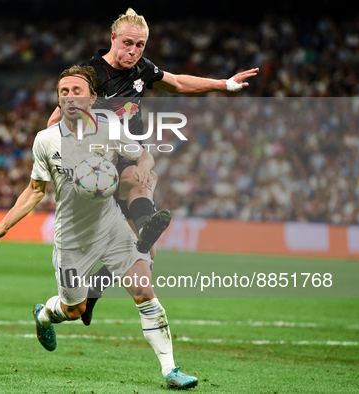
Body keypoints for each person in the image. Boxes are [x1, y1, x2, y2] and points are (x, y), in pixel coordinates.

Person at [0, 65, 198, 389]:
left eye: (77, 91)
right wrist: (3, 224)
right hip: (72, 240)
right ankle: (44, 315)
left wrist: (141, 167)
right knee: (73, 310)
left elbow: (144, 156)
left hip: (112, 227)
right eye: (64, 92)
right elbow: (35, 190)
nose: (70, 97)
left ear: (93, 97)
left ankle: (170, 370)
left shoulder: (110, 127)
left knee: (144, 291)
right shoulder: (46, 140)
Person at [47, 8, 259, 325]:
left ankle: (96, 288)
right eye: (128, 43)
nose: (133, 51)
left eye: (140, 45)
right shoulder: (89, 76)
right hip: (96, 169)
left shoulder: (142, 70)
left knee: (145, 245)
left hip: (130, 156)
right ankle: (87, 293)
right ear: (113, 38)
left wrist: (223, 85)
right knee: (138, 201)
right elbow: (54, 122)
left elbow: (176, 83)